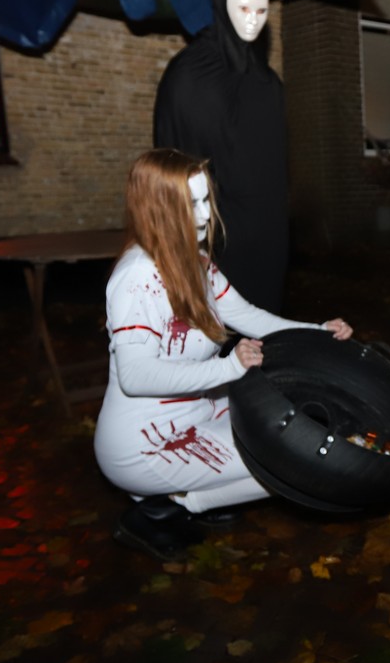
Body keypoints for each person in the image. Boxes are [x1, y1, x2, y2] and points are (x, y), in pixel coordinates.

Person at [94, 149, 352, 561]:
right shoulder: (138, 277)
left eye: (205, 200)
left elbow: (246, 315)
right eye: (190, 204)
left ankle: (185, 502)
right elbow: (135, 376)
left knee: (289, 422)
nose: (204, 215)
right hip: (145, 442)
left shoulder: (194, 260)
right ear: (158, 209)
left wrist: (317, 332)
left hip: (198, 410)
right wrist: (228, 367)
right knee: (290, 460)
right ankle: (161, 506)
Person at [154, 0, 290, 314]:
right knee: (219, 326)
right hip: (215, 233)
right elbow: (172, 158)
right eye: (244, 8)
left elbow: (277, 165)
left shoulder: (268, 82)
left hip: (268, 232)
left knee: (264, 323)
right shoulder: (189, 75)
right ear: (222, 5)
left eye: (261, 11)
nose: (253, 20)